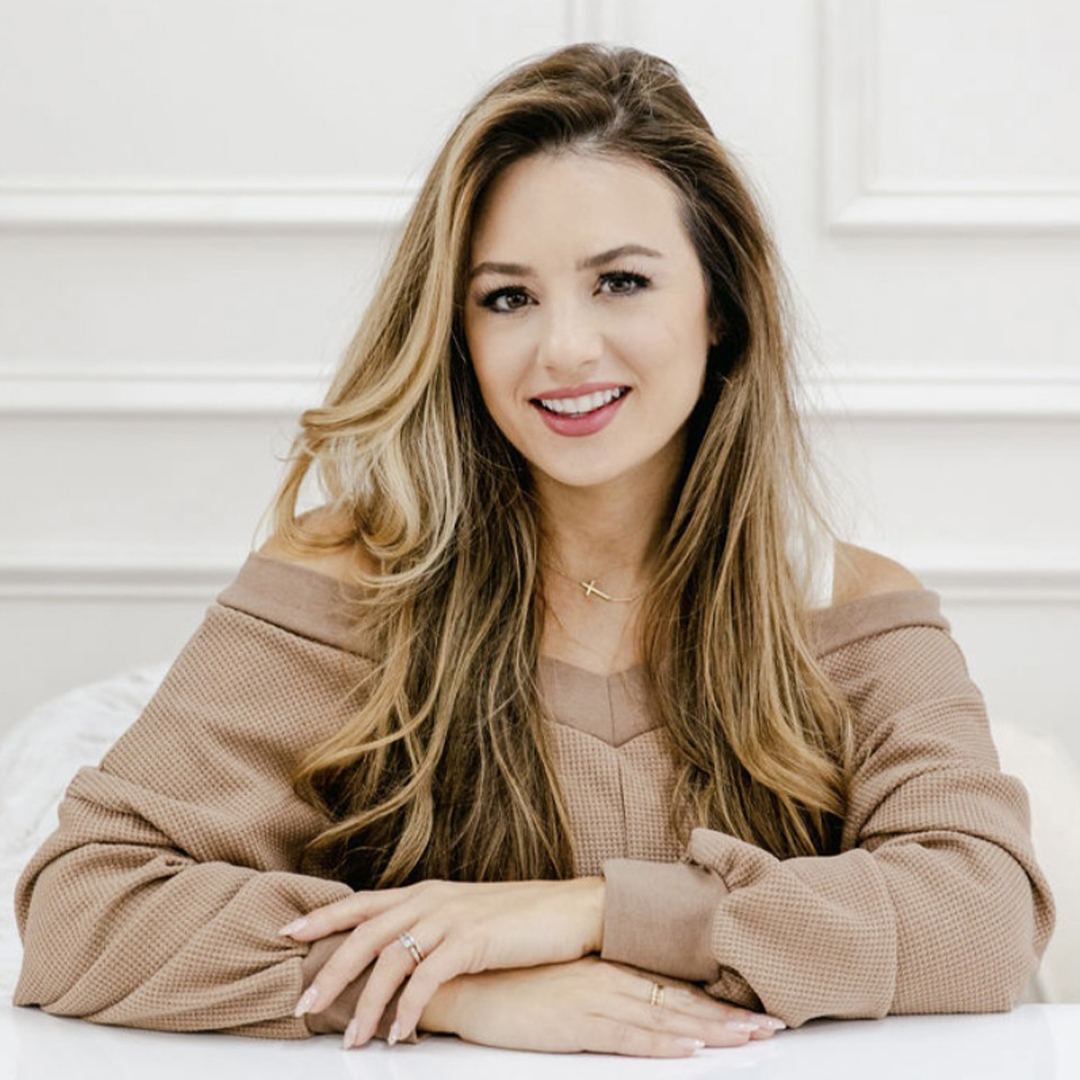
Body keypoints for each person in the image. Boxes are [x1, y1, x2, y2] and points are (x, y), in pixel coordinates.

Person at [13, 43, 1054, 1058]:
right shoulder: (355, 579)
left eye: (622, 282)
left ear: (722, 305)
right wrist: (457, 986)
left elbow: (984, 918)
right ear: (457, 333)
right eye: (507, 297)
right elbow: (88, 907)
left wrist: (588, 911)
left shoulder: (841, 605)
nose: (564, 349)